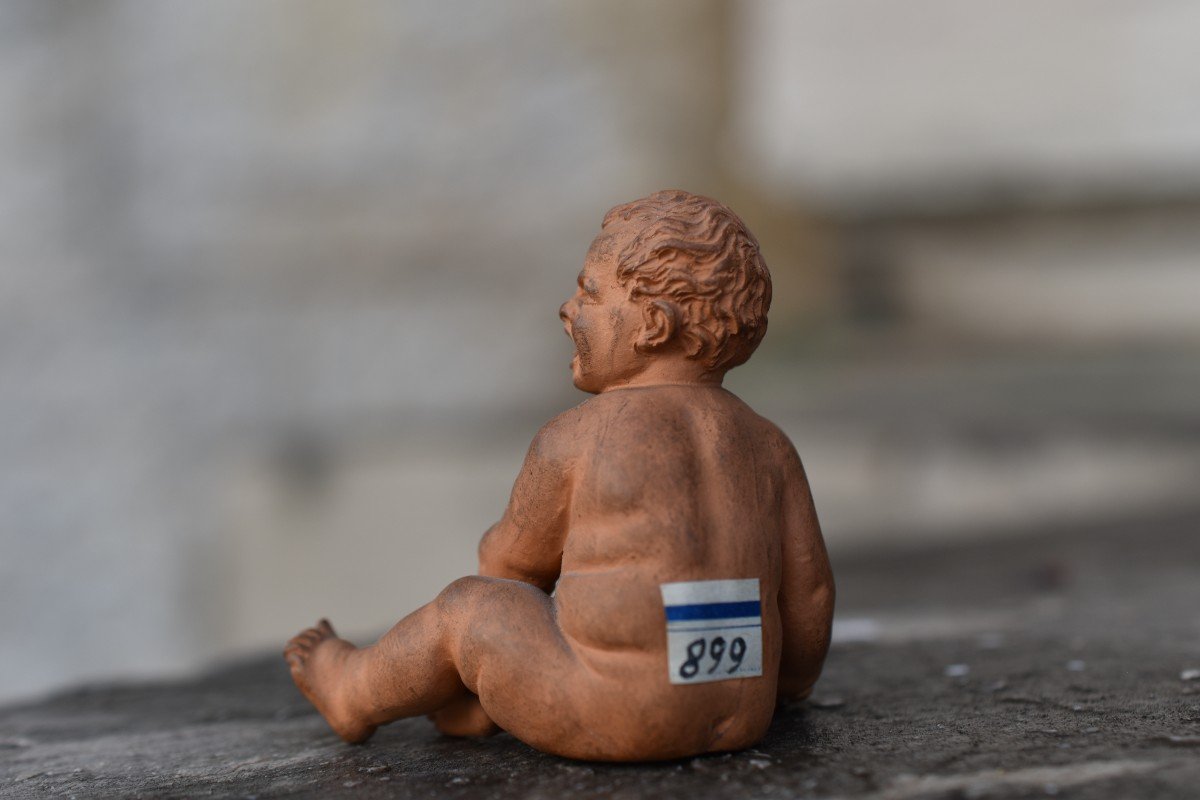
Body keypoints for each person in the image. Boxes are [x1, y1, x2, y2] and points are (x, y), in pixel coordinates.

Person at [285, 189, 834, 761]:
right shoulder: (770, 445)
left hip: (614, 711)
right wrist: (786, 687)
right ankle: (476, 698)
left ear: (651, 325)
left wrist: (484, 662)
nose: (568, 308)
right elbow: (809, 598)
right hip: (742, 713)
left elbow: (512, 568)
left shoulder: (578, 435)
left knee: (470, 607)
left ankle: (352, 689)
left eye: (590, 292)